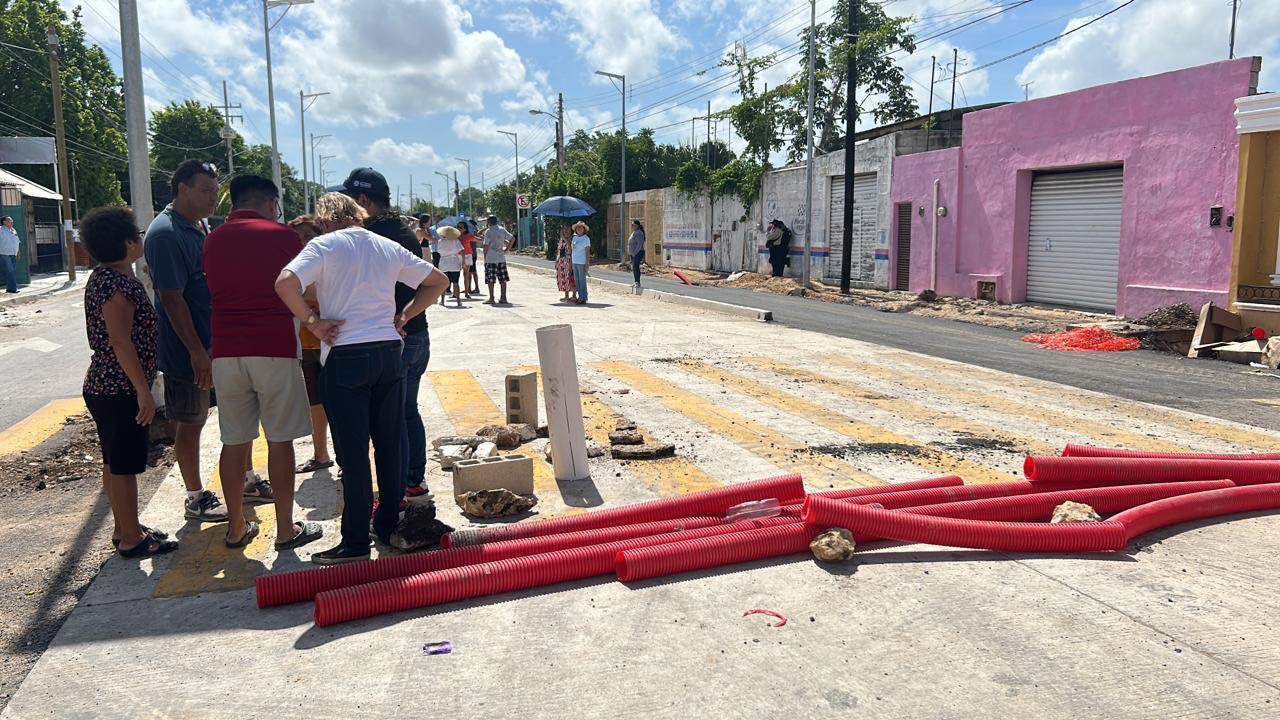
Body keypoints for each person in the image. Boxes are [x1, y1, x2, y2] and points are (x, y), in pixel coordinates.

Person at [275, 192, 449, 564]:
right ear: (358, 216)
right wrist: (403, 316)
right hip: (388, 352)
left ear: (324, 221)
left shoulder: (323, 246)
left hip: (345, 355)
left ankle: (354, 541)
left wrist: (313, 323)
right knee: (389, 445)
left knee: (353, 456)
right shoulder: (385, 246)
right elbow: (437, 281)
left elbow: (284, 283)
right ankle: (387, 524)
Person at [203, 175, 322, 550]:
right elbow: (301, 289)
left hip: (226, 350)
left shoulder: (212, 238)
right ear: (271, 203)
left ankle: (236, 527)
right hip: (274, 347)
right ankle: (286, 529)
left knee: (234, 440)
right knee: (279, 440)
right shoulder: (283, 237)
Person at [144, 160, 251, 524]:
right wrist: (195, 351)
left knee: (239, 415)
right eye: (205, 190)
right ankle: (194, 496)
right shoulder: (165, 234)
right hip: (187, 353)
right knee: (190, 422)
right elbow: (172, 298)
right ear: (182, 188)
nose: (213, 198)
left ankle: (246, 478)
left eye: (215, 191)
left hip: (216, 345)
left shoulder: (197, 225)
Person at [80, 207, 177, 558]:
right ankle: (132, 538)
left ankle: (125, 528)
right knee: (124, 466)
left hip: (106, 386)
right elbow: (120, 341)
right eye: (136, 234)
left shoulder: (104, 277)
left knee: (114, 461)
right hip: (118, 388)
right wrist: (142, 389)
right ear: (126, 242)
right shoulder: (117, 284)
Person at [286, 216, 333, 475]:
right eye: (296, 238)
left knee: (340, 403)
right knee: (315, 403)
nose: (301, 243)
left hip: (331, 341)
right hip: (305, 344)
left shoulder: (327, 261)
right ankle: (320, 454)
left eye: (306, 236)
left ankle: (348, 458)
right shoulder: (294, 267)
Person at [481, 215, 513, 305]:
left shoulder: (488, 231)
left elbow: (486, 245)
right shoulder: (502, 229)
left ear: (489, 222)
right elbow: (512, 238)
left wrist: (485, 258)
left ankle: (491, 298)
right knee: (503, 279)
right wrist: (507, 250)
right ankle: (503, 297)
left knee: (490, 279)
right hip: (501, 258)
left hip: (491, 258)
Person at [436, 225, 464, 307]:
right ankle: (458, 301)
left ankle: (442, 300)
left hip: (444, 263)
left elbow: (438, 252)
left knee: (443, 283)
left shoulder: (440, 241)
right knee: (456, 283)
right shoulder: (456, 241)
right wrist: (463, 262)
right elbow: (462, 251)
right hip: (454, 263)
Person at [571, 221, 592, 305]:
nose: (579, 229)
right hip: (575, 261)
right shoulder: (574, 238)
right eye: (578, 228)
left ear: (584, 229)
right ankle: (581, 296)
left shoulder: (586, 239)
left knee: (582, 280)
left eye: (581, 228)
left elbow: (587, 252)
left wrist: (587, 263)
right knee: (577, 281)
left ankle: (583, 298)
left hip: (582, 262)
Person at [554, 224, 575, 303]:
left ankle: (573, 296)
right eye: (564, 229)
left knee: (570, 278)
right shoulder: (561, 239)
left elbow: (570, 249)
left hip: (568, 260)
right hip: (561, 261)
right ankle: (566, 296)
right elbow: (559, 250)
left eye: (568, 229)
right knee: (563, 279)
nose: (566, 231)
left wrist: (566, 239)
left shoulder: (572, 239)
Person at [459, 220, 479, 297]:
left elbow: (479, 240)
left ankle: (467, 291)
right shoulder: (455, 237)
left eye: (461, 227)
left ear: (465, 228)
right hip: (458, 256)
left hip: (467, 255)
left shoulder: (469, 235)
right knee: (456, 274)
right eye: (458, 227)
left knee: (466, 274)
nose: (459, 228)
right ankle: (455, 292)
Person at [0, 216, 19, 294]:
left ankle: (10, 288)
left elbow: (17, 242)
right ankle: (12, 289)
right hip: (5, 253)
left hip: (13, 253)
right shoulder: (0, 230)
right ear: (4, 222)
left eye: (12, 220)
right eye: (10, 220)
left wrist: (18, 253)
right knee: (10, 271)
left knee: (12, 271)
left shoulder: (13, 230)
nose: (12, 222)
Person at [627, 219, 646, 289]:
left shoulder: (639, 233)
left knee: (635, 267)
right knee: (634, 267)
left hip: (638, 252)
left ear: (637, 225)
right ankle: (635, 281)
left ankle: (638, 282)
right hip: (633, 253)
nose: (632, 226)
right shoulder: (634, 232)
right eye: (631, 225)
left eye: (633, 225)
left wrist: (634, 253)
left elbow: (639, 244)